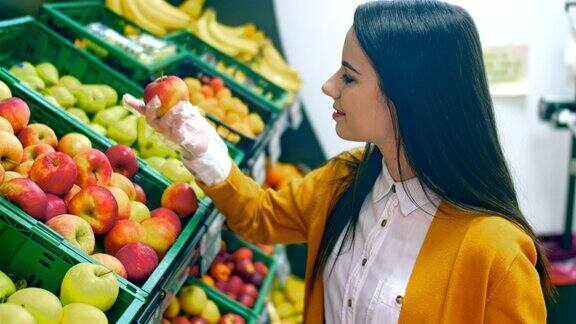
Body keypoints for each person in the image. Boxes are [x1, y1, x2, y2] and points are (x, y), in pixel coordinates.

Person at [124, 0, 553, 322]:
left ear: (408, 96)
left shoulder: (497, 256)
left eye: (348, 76)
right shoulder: (345, 181)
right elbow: (258, 217)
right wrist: (195, 139)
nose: (329, 86)